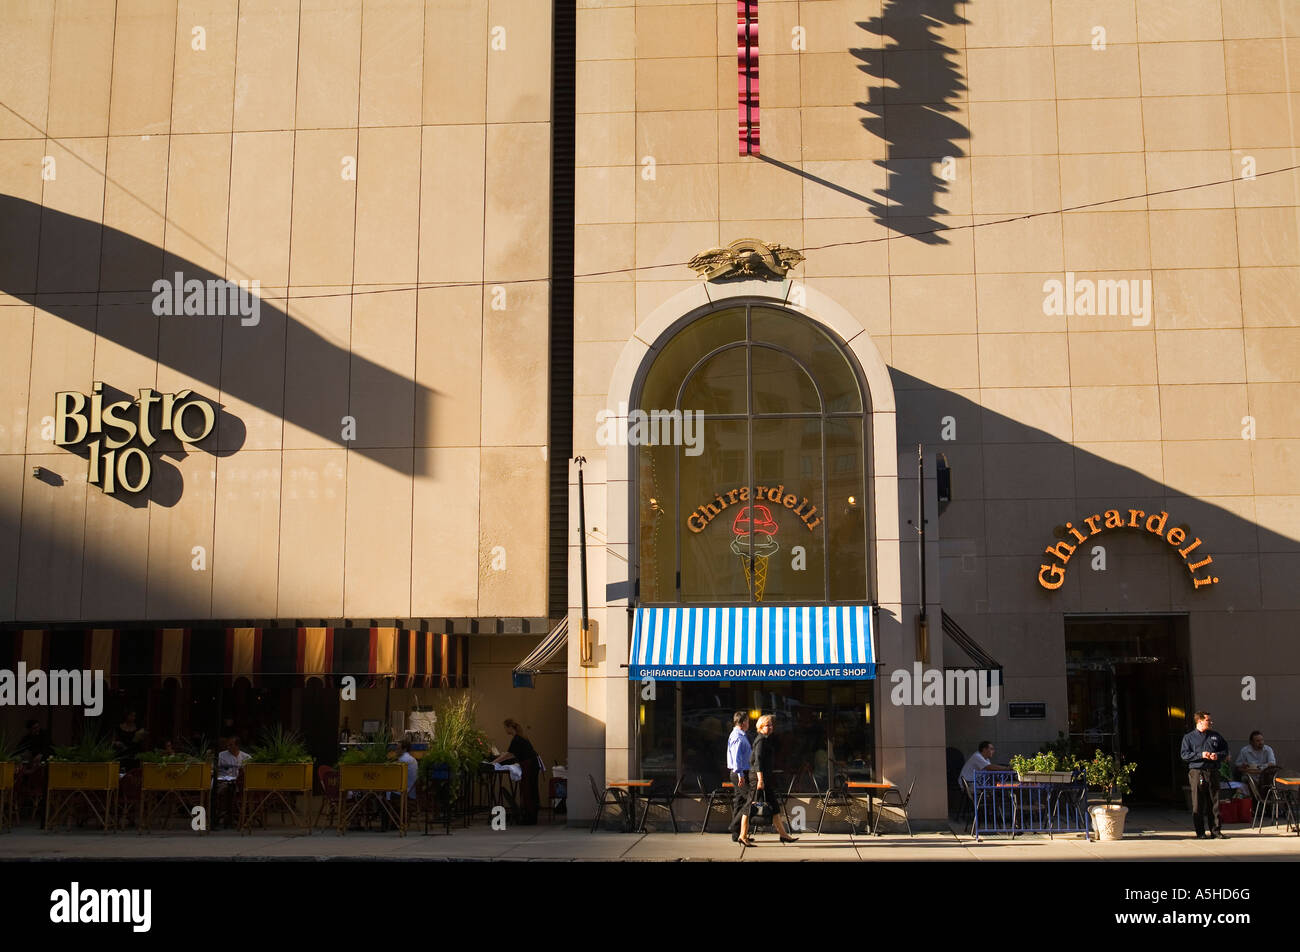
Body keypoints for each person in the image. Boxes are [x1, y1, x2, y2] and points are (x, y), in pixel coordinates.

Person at [1180, 711, 1230, 839]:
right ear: (1200, 721)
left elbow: (1225, 750)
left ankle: (1216, 831)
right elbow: (1184, 755)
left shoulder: (1215, 736)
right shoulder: (1189, 737)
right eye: (1208, 720)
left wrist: (1217, 756)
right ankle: (1200, 832)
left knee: (1214, 801)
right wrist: (1200, 755)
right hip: (1197, 772)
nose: (1211, 722)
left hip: (1212, 771)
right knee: (1198, 802)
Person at [750, 714, 798, 843]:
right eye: (767, 725)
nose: (771, 727)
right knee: (747, 808)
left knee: (775, 807)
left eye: (771, 725)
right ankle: (742, 835)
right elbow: (757, 762)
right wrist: (760, 780)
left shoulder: (766, 739)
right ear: (760, 726)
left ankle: (783, 835)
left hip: (765, 779)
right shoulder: (760, 740)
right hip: (760, 779)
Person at [492, 719, 539, 824]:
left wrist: (494, 762)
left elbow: (510, 754)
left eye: (505, 727)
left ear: (509, 727)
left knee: (528, 789)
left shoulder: (517, 739)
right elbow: (512, 753)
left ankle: (530, 818)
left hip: (529, 765)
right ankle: (531, 815)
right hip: (532, 764)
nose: (504, 730)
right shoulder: (521, 737)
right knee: (531, 789)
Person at [726, 711, 754, 845]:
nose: (749, 724)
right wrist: (741, 775)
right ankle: (733, 825)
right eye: (748, 721)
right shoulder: (737, 736)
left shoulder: (739, 734)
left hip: (739, 773)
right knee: (751, 799)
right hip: (739, 773)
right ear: (743, 723)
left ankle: (736, 834)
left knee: (739, 801)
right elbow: (736, 757)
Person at [215, 736, 251, 830]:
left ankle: (233, 816)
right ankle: (226, 816)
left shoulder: (246, 757)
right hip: (224, 782)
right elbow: (214, 769)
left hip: (242, 786)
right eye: (228, 744)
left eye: (231, 745)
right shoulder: (221, 755)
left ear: (237, 746)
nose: (228, 746)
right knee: (225, 790)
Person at [1235, 730, 1277, 799]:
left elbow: (1272, 764)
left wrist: (1259, 768)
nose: (1261, 743)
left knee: (1269, 784)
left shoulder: (1268, 749)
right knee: (1245, 785)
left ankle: (1266, 804)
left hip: (1264, 778)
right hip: (1250, 778)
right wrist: (1244, 766)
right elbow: (1238, 766)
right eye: (1257, 741)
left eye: (1262, 740)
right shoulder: (1245, 751)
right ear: (1251, 742)